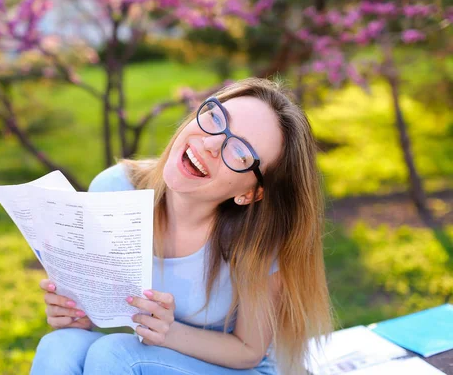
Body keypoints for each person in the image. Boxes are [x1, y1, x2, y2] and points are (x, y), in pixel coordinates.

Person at [30, 78, 333, 375]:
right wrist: (75, 313)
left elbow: (249, 352)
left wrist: (168, 332)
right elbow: (99, 307)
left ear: (250, 193)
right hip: (158, 357)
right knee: (59, 346)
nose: (212, 143)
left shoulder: (257, 237)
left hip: (246, 368)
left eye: (240, 152)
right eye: (216, 118)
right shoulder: (114, 189)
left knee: (117, 355)